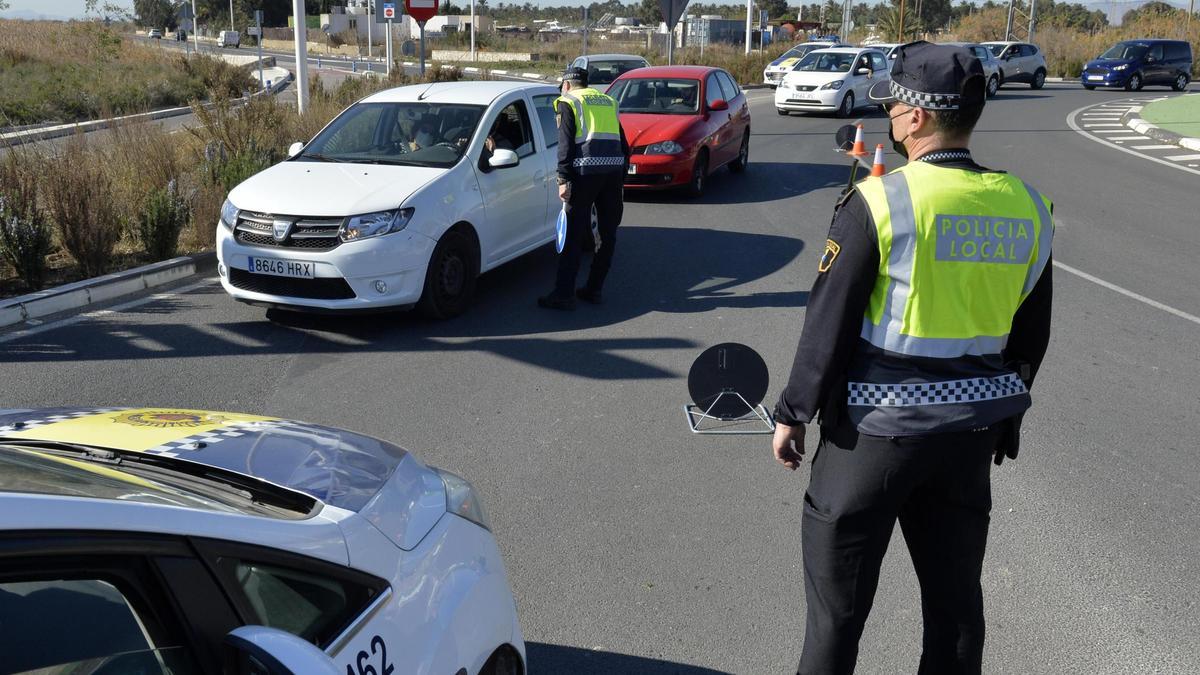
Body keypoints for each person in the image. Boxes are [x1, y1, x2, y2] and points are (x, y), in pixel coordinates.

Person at [770, 41, 1054, 675]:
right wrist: (1004, 422)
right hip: (968, 441)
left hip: (871, 442)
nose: (891, 119)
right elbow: (1030, 340)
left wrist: (793, 413)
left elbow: (829, 325)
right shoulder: (1029, 207)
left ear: (918, 118)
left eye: (895, 106)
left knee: (836, 620)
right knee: (955, 616)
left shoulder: (881, 201)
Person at [538, 66, 630, 311]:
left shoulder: (568, 102)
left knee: (573, 235)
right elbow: (623, 142)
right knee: (606, 234)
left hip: (583, 175)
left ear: (567, 84)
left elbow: (565, 145)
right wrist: (621, 174)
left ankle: (564, 294)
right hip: (611, 174)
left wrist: (562, 180)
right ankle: (594, 289)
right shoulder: (608, 101)